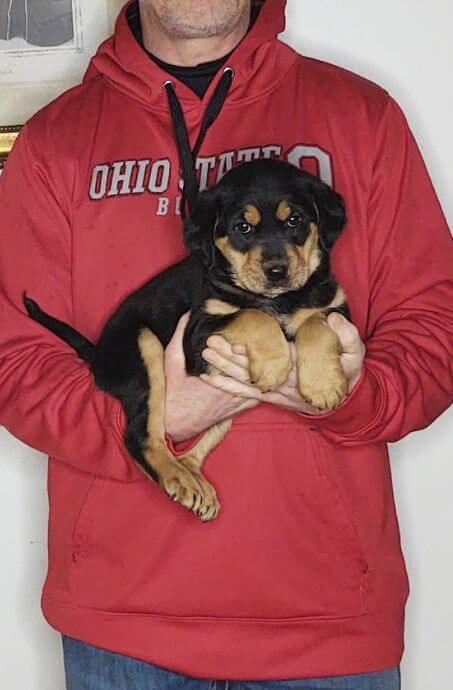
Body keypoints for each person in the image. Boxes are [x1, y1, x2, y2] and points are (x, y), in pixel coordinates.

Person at [0, 1, 451, 688]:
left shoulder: (358, 115)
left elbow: (435, 328)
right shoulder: (55, 140)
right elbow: (12, 358)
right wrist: (151, 418)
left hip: (326, 621)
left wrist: (354, 398)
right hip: (124, 626)